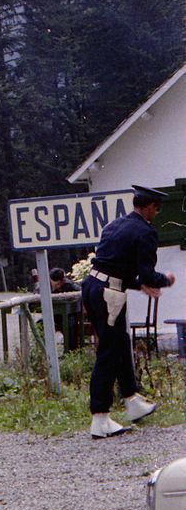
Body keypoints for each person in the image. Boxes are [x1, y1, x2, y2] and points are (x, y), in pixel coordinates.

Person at [82, 184, 176, 439]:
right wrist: (165, 279)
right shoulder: (145, 232)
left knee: (120, 343)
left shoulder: (115, 225)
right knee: (109, 352)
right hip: (109, 294)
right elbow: (146, 273)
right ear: (148, 207)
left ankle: (131, 399)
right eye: (156, 208)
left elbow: (114, 267)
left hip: (93, 287)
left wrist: (139, 284)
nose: (156, 213)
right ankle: (99, 418)